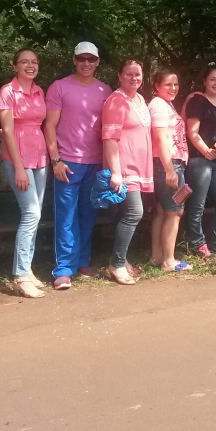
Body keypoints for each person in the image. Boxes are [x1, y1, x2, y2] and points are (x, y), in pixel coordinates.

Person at [44, 42, 111, 290]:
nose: (86, 63)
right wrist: (56, 160)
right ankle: (63, 269)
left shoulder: (105, 90)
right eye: (81, 59)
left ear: (97, 62)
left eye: (91, 59)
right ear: (74, 60)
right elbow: (49, 126)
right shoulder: (59, 87)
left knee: (87, 215)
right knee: (66, 217)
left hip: (95, 163)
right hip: (67, 162)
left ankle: (82, 261)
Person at [0, 49, 48, 298]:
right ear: (14, 65)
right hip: (18, 159)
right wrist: (18, 167)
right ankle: (20, 275)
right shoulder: (8, 91)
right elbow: (7, 131)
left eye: (34, 62)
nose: (30, 65)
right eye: (25, 62)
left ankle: (27, 269)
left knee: (35, 217)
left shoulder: (39, 92)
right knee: (31, 214)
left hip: (40, 158)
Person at [102, 60, 154, 285]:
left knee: (125, 214)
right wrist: (116, 172)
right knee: (134, 212)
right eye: (129, 74)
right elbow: (110, 139)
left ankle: (122, 259)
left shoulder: (140, 99)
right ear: (120, 75)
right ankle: (117, 263)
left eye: (138, 74)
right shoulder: (115, 101)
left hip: (139, 166)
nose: (134, 78)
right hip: (124, 168)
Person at [184, 63, 216, 258]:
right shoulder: (197, 101)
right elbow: (193, 132)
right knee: (197, 204)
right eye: (213, 79)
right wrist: (206, 152)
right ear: (204, 80)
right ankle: (197, 243)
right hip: (200, 161)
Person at [148, 69, 191, 272]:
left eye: (175, 84)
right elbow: (160, 138)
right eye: (168, 84)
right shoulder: (158, 105)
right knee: (175, 212)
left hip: (170, 163)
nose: (173, 88)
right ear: (157, 86)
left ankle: (157, 257)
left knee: (161, 211)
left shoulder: (166, 105)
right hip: (168, 163)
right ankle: (169, 261)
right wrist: (169, 169)